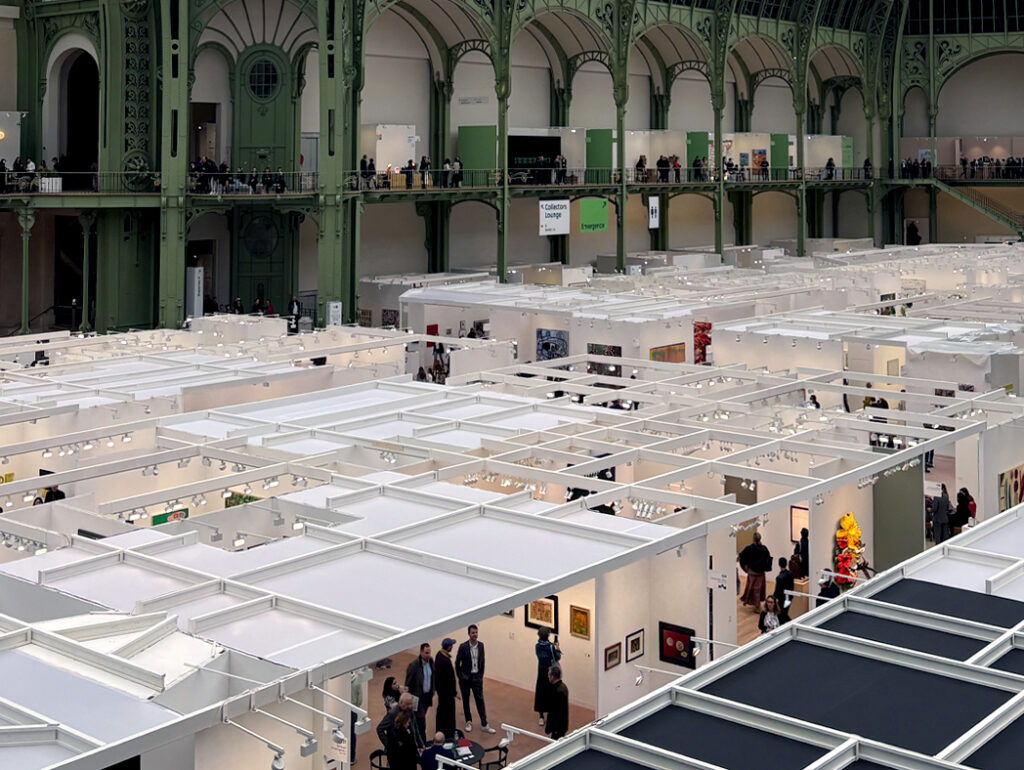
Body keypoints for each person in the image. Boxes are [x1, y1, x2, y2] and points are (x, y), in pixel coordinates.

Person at [455, 624, 495, 734]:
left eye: (476, 632)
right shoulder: (463, 647)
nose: (475, 635)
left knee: (480, 700)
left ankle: (484, 724)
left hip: (476, 677)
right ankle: (468, 721)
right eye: (473, 633)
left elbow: (482, 661)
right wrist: (461, 676)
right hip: (466, 678)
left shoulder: (481, 646)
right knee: (466, 700)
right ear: (469, 634)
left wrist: (480, 675)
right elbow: (457, 663)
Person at [405, 642, 434, 741]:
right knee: (421, 720)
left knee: (421, 718)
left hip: (427, 696)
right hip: (417, 698)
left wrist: (433, 691)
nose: (428, 655)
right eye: (426, 653)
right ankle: (421, 741)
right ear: (421, 652)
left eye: (429, 652)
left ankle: (418, 739)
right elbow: (408, 683)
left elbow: (433, 676)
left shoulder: (431, 662)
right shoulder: (413, 666)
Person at [737, 532, 771, 612]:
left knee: (753, 589)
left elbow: (742, 555)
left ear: (753, 539)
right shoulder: (764, 549)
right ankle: (757, 605)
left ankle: (756, 606)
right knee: (758, 589)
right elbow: (768, 558)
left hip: (752, 572)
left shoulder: (749, 548)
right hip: (760, 572)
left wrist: (745, 567)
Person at [534, 627, 561, 725]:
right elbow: (557, 657)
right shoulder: (550, 646)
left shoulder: (537, 646)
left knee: (541, 692)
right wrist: (557, 647)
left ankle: (541, 717)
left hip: (541, 671)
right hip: (550, 671)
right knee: (551, 692)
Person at [434, 637, 457, 739]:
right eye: (451, 645)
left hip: (441, 691)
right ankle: (448, 733)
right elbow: (449, 679)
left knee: (442, 711)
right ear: (448, 647)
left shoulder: (439, 654)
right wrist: (454, 692)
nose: (452, 647)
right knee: (448, 713)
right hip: (446, 693)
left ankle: (440, 729)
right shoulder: (445, 661)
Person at [544, 664, 569, 740]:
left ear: (552, 676)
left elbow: (553, 712)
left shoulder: (556, 691)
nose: (548, 677)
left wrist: (548, 728)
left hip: (557, 726)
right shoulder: (563, 687)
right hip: (562, 724)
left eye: (549, 675)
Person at [773, 557, 794, 622]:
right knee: (784, 613)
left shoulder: (779, 578)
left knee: (782, 614)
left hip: (782, 599)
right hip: (789, 597)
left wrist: (773, 597)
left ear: (779, 564)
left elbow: (777, 590)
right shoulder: (790, 574)